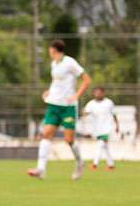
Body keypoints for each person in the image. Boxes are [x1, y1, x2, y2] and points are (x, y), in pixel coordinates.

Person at [28, 39, 91, 180]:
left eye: (50, 49)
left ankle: (80, 163)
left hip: (67, 107)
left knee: (69, 139)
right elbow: (56, 81)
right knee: (46, 135)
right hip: (53, 105)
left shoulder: (70, 62)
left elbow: (86, 79)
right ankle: (41, 169)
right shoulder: (54, 63)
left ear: (54, 49)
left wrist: (76, 95)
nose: (49, 52)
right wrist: (48, 91)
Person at [83, 86, 119, 170]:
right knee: (105, 147)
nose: (97, 94)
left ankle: (95, 164)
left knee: (100, 144)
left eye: (99, 92)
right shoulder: (91, 103)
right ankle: (111, 165)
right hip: (97, 129)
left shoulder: (109, 102)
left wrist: (117, 126)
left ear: (103, 93)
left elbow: (114, 114)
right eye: (96, 92)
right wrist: (84, 113)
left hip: (107, 128)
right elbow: (85, 112)